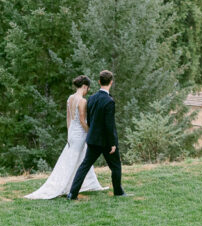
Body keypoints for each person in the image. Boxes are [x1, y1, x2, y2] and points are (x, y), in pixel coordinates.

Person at [24, 75, 105, 199]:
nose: (87, 90)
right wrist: (90, 132)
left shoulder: (70, 98)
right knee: (75, 160)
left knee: (82, 157)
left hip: (72, 133)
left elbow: (68, 118)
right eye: (87, 88)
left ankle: (89, 183)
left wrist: (69, 133)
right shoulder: (82, 101)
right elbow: (83, 121)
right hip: (80, 134)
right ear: (84, 86)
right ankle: (65, 186)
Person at [67, 70, 126, 199]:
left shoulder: (91, 98)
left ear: (99, 82)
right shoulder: (109, 101)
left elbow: (91, 119)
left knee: (84, 166)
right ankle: (118, 191)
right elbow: (109, 125)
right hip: (106, 141)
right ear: (111, 82)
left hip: (93, 139)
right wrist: (113, 143)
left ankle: (72, 193)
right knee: (116, 166)